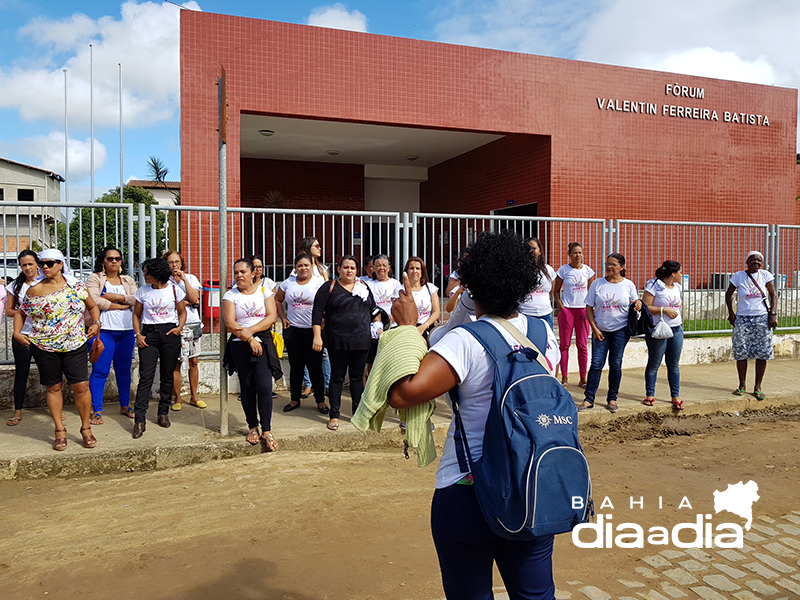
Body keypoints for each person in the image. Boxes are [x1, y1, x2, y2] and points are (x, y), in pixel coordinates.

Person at [387, 230, 560, 600]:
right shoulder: (545, 334)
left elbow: (402, 394)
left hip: (467, 491)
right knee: (536, 594)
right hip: (531, 485)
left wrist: (404, 327)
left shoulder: (465, 341)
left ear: (471, 286)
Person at [14, 249, 101, 450]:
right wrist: (17, 333)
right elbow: (21, 313)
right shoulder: (34, 290)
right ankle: (59, 430)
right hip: (44, 346)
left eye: (50, 263)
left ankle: (86, 428)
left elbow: (92, 306)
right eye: (42, 263)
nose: (45, 267)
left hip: (75, 345)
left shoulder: (76, 286)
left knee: (81, 386)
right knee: (53, 387)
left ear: (61, 264)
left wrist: (96, 322)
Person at [312, 255, 377, 431]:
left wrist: (379, 325)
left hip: (361, 341)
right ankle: (334, 415)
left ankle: (357, 414)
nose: (349, 271)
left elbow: (374, 309)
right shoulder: (329, 287)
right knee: (337, 378)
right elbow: (317, 313)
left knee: (357, 378)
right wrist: (317, 336)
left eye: (352, 268)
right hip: (337, 341)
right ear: (339, 269)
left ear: (357, 271)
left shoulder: (363, 287)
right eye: (346, 267)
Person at [222, 258, 279, 449]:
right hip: (240, 345)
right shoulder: (230, 295)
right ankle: (252, 427)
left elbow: (272, 316)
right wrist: (248, 338)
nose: (238, 276)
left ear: (253, 273)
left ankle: (267, 430)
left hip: (263, 343)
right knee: (246, 387)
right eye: (236, 272)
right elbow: (230, 323)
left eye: (242, 272)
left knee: (264, 386)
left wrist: (251, 331)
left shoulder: (265, 291)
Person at [132, 258, 187, 439]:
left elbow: (182, 312)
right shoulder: (143, 291)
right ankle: (139, 419)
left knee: (167, 375)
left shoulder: (174, 290)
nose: (144, 275)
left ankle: (163, 413)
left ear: (157, 273)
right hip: (149, 334)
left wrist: (179, 328)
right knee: (146, 376)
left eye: (147, 272)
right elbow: (136, 314)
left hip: (169, 332)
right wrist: (138, 334)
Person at [579, 253, 641, 413]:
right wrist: (594, 328)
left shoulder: (628, 285)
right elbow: (589, 307)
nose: (609, 267)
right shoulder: (597, 284)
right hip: (600, 331)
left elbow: (635, 302)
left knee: (615, 364)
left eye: (613, 264)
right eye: (607, 264)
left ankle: (612, 399)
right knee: (596, 364)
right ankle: (588, 399)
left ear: (622, 268)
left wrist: (639, 304)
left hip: (621, 331)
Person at [87, 246, 138, 424]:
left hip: (126, 331)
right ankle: (97, 410)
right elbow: (93, 300)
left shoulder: (128, 280)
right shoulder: (95, 278)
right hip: (103, 331)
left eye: (117, 258)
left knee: (123, 371)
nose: (114, 261)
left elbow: (136, 299)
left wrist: (113, 297)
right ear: (103, 261)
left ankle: (125, 406)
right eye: (110, 258)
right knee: (100, 371)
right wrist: (122, 304)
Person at [276, 253, 328, 414]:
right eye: (300, 265)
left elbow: (327, 302)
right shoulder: (288, 283)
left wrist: (324, 319)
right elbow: (278, 300)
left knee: (315, 368)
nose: (303, 268)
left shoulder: (319, 283)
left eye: (306, 265)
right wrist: (283, 317)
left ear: (312, 266)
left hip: (314, 332)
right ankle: (294, 400)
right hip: (293, 331)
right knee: (296, 367)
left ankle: (320, 401)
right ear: (295, 268)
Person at [725, 251, 777, 401]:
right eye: (753, 260)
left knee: (762, 353)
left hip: (762, 318)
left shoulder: (766, 275)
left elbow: (773, 295)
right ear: (747, 262)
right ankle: (742, 385)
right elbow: (728, 294)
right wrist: (731, 313)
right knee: (741, 352)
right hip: (742, 318)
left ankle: (758, 387)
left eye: (759, 260)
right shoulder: (739, 276)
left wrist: (773, 314)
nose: (756, 262)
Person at [164, 251, 207, 411]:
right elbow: (171, 303)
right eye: (170, 262)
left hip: (193, 324)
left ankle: (194, 396)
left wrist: (183, 280)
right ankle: (178, 398)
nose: (174, 265)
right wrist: (185, 303)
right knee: (177, 363)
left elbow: (195, 298)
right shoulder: (165, 282)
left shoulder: (191, 278)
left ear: (182, 263)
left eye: (177, 261)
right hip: (175, 325)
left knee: (194, 361)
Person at [642, 261, 685, 409]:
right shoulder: (654, 286)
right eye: (680, 272)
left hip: (676, 329)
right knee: (654, 363)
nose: (682, 274)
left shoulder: (677, 287)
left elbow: (679, 303)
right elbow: (646, 306)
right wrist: (663, 310)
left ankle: (675, 395)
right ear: (673, 273)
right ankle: (650, 394)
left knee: (673, 364)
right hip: (658, 329)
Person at [553, 242, 596, 387]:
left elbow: (592, 292)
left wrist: (589, 308)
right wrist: (562, 307)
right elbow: (556, 291)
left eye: (580, 253)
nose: (578, 255)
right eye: (575, 253)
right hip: (568, 310)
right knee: (564, 345)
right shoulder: (563, 270)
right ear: (569, 255)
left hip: (583, 310)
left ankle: (583, 377)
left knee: (582, 345)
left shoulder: (588, 271)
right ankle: (564, 377)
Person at [5, 250, 38, 426]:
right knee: (21, 373)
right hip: (22, 335)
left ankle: (55, 409)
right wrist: (22, 313)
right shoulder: (16, 285)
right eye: (24, 265)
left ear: (37, 264)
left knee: (51, 374)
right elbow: (8, 310)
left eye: (30, 264)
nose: (27, 268)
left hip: (44, 336)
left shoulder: (46, 283)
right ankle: (18, 411)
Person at [364, 253, 400, 373]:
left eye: (384, 265)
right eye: (378, 265)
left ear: (389, 268)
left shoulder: (395, 284)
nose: (381, 268)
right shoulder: (368, 285)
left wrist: (393, 318)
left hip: (393, 327)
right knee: (372, 360)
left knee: (391, 359)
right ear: (373, 268)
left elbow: (399, 304)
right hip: (374, 328)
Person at [391, 256, 440, 342]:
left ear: (422, 272)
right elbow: (396, 314)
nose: (415, 271)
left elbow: (436, 312)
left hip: (425, 328)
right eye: (411, 268)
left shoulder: (431, 288)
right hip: (405, 330)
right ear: (407, 271)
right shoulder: (399, 290)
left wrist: (423, 327)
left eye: (417, 268)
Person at [518, 237, 557, 329]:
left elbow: (550, 292)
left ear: (540, 251)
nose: (531, 251)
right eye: (528, 249)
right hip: (525, 314)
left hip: (545, 315)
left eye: (534, 248)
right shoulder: (519, 270)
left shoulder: (549, 270)